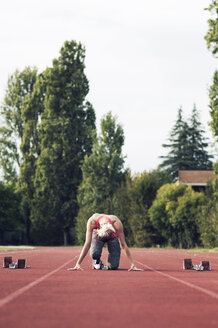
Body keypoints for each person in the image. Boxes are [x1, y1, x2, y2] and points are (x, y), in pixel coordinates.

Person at [68, 213, 143, 271]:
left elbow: (123, 245)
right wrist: (78, 263)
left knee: (113, 267)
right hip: (99, 234)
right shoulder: (92, 222)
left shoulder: (116, 223)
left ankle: (110, 264)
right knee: (94, 254)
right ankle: (97, 261)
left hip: (112, 236)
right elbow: (87, 244)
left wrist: (133, 264)